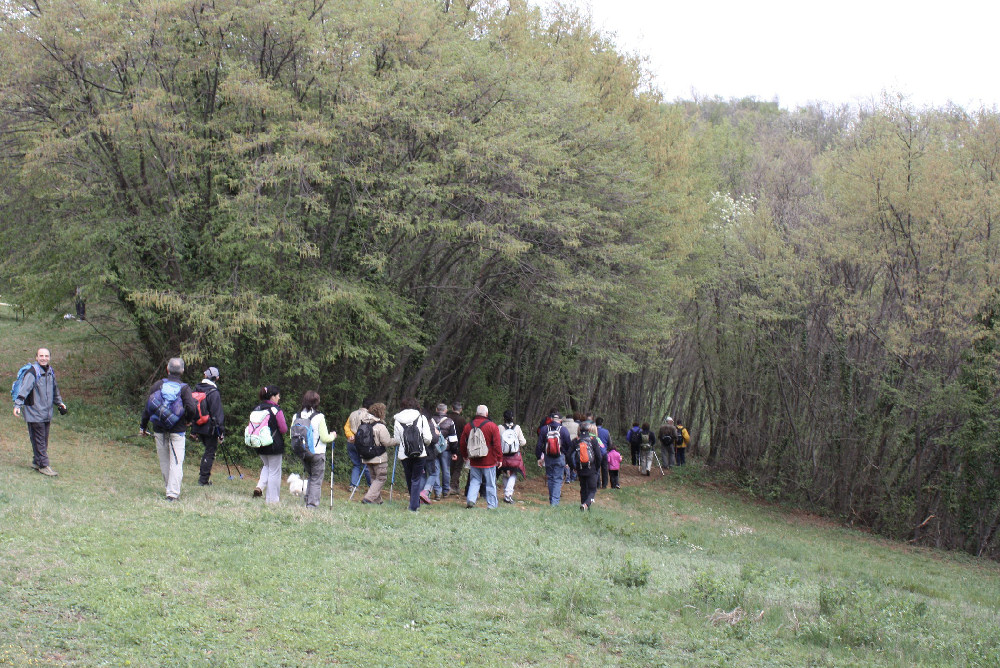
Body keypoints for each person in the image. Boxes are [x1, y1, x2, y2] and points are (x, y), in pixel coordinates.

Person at [139, 357, 197, 500]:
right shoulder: (184, 388)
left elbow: (148, 407)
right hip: (177, 430)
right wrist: (188, 421)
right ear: (182, 371)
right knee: (176, 461)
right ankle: (172, 493)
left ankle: (168, 488)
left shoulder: (158, 385)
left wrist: (143, 427)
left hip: (159, 429)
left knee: (164, 461)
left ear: (167, 369)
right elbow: (191, 407)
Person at [13, 347, 67, 477]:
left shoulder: (50, 371)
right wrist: (18, 405)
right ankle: (43, 465)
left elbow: (55, 390)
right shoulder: (33, 372)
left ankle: (37, 461)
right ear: (36, 358)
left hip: (46, 412)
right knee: (40, 440)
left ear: (49, 358)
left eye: (46, 356)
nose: (44, 358)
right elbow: (24, 389)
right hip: (34, 412)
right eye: (41, 356)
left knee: (42, 439)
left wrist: (59, 402)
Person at [293, 390, 336, 508]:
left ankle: (308, 500)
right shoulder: (319, 417)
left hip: (303, 452)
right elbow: (325, 438)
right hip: (317, 453)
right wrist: (333, 435)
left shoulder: (296, 416)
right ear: (317, 402)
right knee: (316, 479)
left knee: (311, 476)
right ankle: (312, 504)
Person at [459, 405, 502, 509]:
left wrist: (465, 456)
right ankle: (492, 505)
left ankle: (471, 500)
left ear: (476, 413)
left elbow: (462, 443)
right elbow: (497, 444)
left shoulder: (468, 426)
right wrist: (499, 458)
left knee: (475, 481)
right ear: (486, 414)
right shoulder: (492, 426)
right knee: (490, 483)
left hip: (474, 460)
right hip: (489, 460)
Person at [394, 398, 432, 512]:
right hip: (420, 453)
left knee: (409, 478)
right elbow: (428, 437)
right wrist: (424, 444)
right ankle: (414, 505)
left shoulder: (397, 420)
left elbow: (396, 439)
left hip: (404, 454)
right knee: (416, 479)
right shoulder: (421, 418)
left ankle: (413, 502)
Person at [251, 386, 288, 504]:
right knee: (274, 472)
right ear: (272, 396)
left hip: (260, 444)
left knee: (267, 466)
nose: (279, 398)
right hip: (274, 444)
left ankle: (260, 487)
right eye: (278, 396)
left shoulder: (257, 408)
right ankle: (272, 500)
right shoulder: (276, 410)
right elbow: (283, 429)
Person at [191, 366, 225, 486]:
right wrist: (221, 432)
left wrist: (193, 430)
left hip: (198, 425)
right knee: (210, 452)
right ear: (217, 378)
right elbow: (217, 414)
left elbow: (191, 409)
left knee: (207, 451)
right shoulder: (214, 392)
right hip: (209, 427)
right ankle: (203, 480)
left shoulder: (196, 389)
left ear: (205, 376)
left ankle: (203, 477)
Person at [359, 402, 398, 504]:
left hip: (367, 455)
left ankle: (378, 501)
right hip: (378, 456)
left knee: (373, 478)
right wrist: (397, 441)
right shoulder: (380, 426)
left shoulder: (364, 423)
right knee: (381, 478)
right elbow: (387, 441)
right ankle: (368, 498)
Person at [535, 410, 573, 506]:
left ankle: (552, 499)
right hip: (560, 457)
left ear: (551, 419)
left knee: (551, 478)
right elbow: (569, 446)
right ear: (560, 420)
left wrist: (539, 457)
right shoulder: (563, 430)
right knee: (557, 479)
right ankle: (554, 502)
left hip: (548, 457)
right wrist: (568, 460)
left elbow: (539, 445)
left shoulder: (544, 429)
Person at [426, 404, 456, 500]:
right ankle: (446, 491)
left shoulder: (430, 420)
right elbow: (453, 438)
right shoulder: (450, 421)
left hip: (433, 447)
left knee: (435, 470)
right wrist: (454, 451)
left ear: (436, 409)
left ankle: (437, 492)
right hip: (445, 448)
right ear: (446, 410)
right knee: (446, 470)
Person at [343, 398, 374, 491]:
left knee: (356, 464)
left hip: (351, 442)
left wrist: (350, 435)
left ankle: (353, 485)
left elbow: (346, 427)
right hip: (363, 444)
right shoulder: (369, 416)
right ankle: (372, 487)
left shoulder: (353, 413)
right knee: (367, 465)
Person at [572, 422, 603, 510]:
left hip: (580, 468)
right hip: (592, 468)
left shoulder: (576, 440)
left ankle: (583, 506)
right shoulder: (593, 440)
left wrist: (573, 467)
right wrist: (597, 467)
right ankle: (586, 504)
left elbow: (568, 455)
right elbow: (599, 456)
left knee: (583, 489)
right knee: (592, 490)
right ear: (589, 430)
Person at [498, 409, 527, 504]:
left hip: (503, 456)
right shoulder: (517, 428)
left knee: (504, 473)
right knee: (513, 474)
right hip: (514, 456)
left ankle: (507, 494)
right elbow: (523, 442)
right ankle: (508, 494)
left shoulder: (500, 428)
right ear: (512, 418)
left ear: (503, 418)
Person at [446, 402, 467, 495]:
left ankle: (455, 486)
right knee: (458, 467)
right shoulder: (462, 420)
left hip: (447, 445)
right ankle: (453, 485)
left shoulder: (447, 418)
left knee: (451, 466)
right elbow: (465, 434)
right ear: (461, 409)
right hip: (459, 446)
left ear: (452, 408)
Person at [596, 417, 612, 489]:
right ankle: (605, 484)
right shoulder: (606, 432)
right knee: (605, 469)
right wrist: (607, 449)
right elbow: (609, 443)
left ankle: (598, 484)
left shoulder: (593, 431)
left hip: (596, 452)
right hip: (604, 452)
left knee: (597, 468)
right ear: (602, 423)